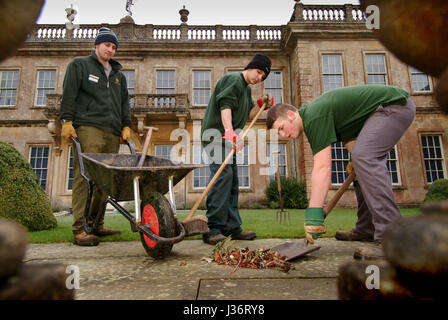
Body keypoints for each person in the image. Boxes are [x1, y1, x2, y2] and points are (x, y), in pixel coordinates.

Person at [266, 84, 415, 259]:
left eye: (281, 128)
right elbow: (351, 140)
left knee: (364, 158)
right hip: (380, 113)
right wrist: (358, 163)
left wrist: (314, 215)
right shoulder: (313, 117)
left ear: (291, 115)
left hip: (394, 106)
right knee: (359, 164)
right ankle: (366, 229)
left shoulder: (314, 116)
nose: (283, 135)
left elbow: (322, 167)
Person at [60, 27, 132, 246]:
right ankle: (80, 229)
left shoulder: (119, 76)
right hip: (88, 127)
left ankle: (96, 224)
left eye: (113, 47)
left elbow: (123, 104)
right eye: (107, 45)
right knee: (85, 176)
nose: (110, 50)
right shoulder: (79, 65)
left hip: (112, 131)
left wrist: (126, 125)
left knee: (105, 179)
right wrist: (67, 121)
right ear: (97, 45)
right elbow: (69, 94)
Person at [201, 54, 274, 245]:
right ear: (250, 67)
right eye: (258, 72)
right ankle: (213, 228)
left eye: (262, 77)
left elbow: (249, 113)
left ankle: (231, 227)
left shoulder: (246, 90)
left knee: (232, 180)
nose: (259, 78)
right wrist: (229, 131)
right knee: (222, 176)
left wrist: (261, 105)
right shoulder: (233, 79)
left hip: (228, 140)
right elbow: (225, 106)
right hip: (216, 135)